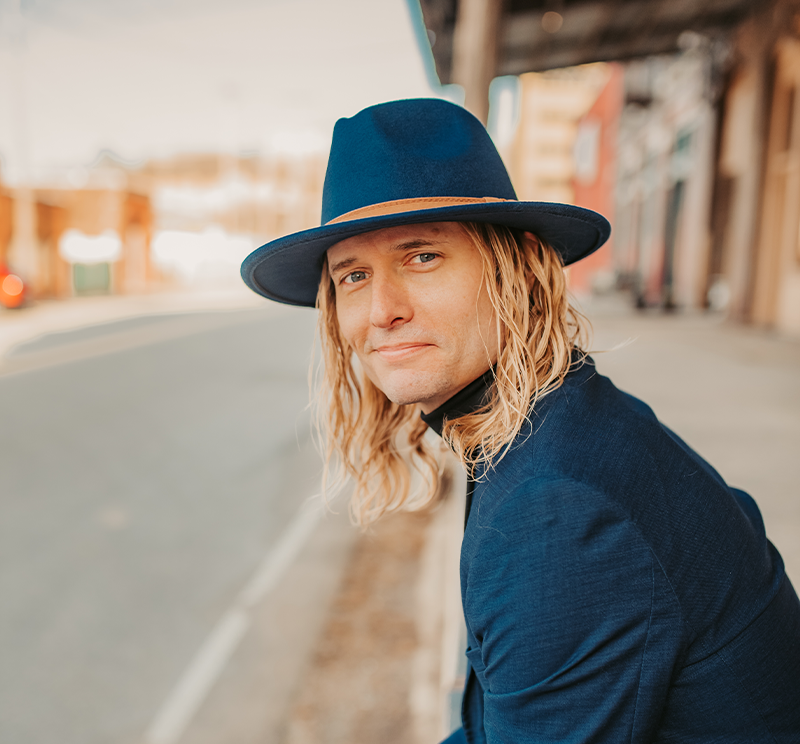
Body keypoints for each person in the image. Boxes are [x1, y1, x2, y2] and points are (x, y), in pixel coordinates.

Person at [241, 98, 800, 743]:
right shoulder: (552, 426)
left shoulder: (558, 509)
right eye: (353, 276)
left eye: (421, 256)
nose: (381, 310)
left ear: (520, 268)